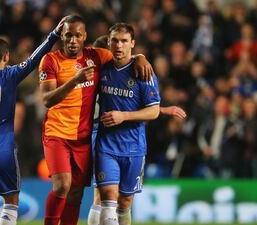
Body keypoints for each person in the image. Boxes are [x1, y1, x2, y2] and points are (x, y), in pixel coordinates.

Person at [38, 15, 152, 225]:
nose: (73, 40)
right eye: (68, 35)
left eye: (77, 35)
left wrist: (140, 57)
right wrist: (75, 80)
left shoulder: (96, 56)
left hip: (82, 138)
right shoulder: (50, 60)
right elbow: (46, 100)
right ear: (62, 36)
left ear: (84, 37)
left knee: (76, 193)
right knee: (63, 185)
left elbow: (122, 56)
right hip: (57, 133)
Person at [0, 17, 67, 225]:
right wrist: (53, 35)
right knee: (11, 201)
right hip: (2, 149)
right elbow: (34, 59)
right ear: (6, 56)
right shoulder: (9, 75)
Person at [88, 35, 187, 225]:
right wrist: (139, 56)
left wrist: (162, 109)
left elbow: (130, 101)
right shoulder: (97, 72)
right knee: (103, 196)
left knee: (124, 199)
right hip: (100, 135)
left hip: (128, 141)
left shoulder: (126, 71)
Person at [93, 23, 161, 225]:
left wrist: (123, 116)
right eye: (115, 40)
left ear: (132, 43)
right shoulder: (101, 68)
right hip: (106, 145)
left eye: (124, 41)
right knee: (108, 196)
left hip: (133, 147)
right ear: (108, 43)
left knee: (125, 201)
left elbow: (154, 110)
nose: (119, 45)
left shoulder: (143, 72)